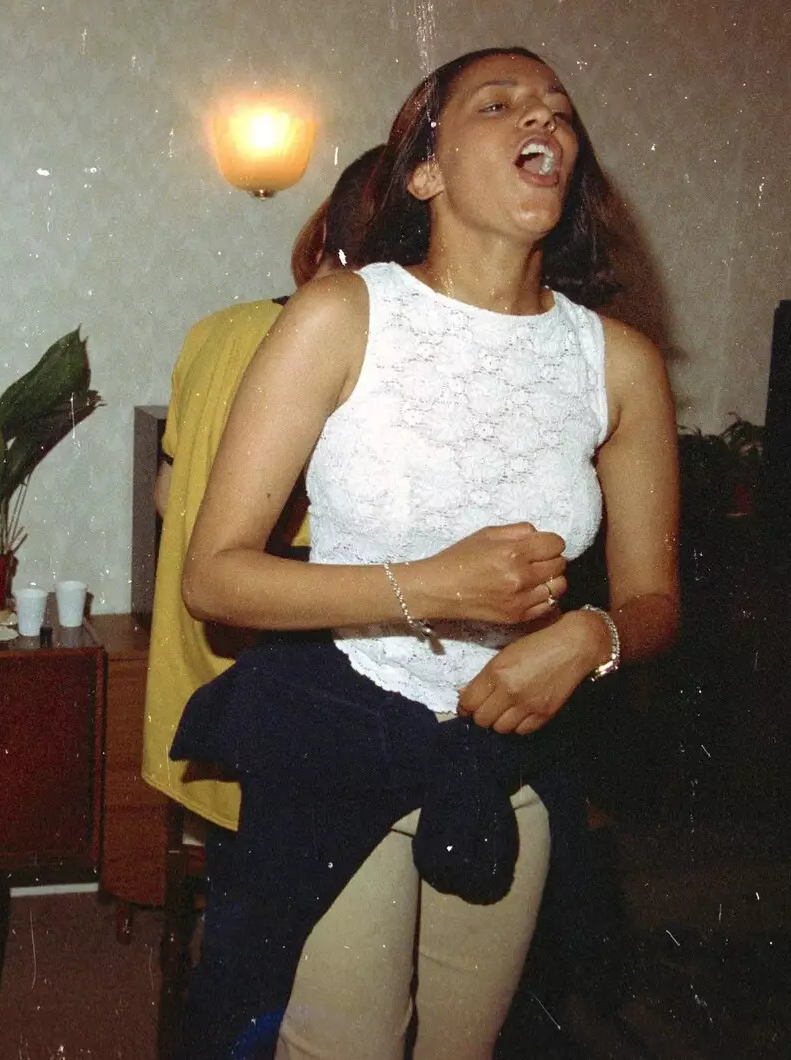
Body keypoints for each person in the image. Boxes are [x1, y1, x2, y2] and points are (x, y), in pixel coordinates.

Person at [174, 47, 679, 1059]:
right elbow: (212, 575)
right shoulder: (342, 315)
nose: (542, 119)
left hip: (506, 754)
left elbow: (655, 597)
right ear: (426, 171)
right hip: (339, 730)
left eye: (559, 112)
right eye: (498, 104)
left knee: (465, 1046)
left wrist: (591, 636)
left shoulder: (615, 360)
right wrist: (430, 586)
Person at [142, 146, 384, 835]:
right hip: (300, 704)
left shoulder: (216, 331)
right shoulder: (363, 354)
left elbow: (167, 497)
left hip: (203, 685)